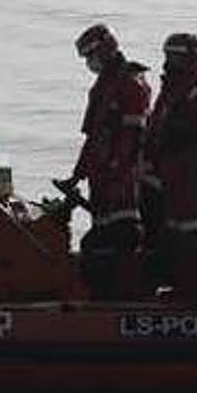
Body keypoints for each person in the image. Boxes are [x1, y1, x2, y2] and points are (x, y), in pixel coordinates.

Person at [57, 24, 151, 300]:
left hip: (123, 177)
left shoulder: (131, 84)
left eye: (90, 57)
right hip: (102, 177)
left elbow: (134, 136)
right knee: (103, 233)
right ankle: (107, 287)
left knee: (122, 233)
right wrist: (77, 175)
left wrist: (118, 169)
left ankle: (126, 290)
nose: (89, 64)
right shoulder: (103, 87)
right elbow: (93, 138)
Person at [144, 33, 197, 304]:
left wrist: (188, 138)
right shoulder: (173, 90)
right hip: (173, 172)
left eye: (173, 56)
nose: (167, 62)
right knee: (176, 230)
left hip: (192, 172)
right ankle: (186, 285)